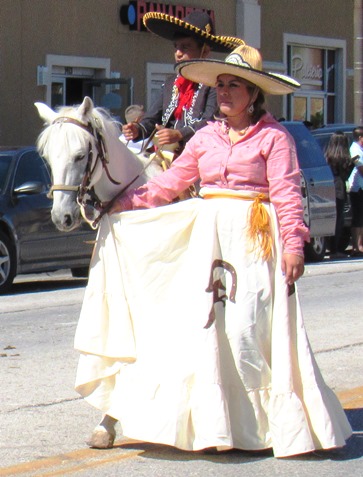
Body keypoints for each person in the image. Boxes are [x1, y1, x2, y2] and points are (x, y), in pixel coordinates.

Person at [75, 45, 352, 457]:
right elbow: (168, 186)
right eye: (219, 84)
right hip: (208, 242)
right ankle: (215, 426)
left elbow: (289, 195)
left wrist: (294, 246)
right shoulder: (205, 137)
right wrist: (121, 205)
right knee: (207, 331)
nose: (223, 92)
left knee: (247, 329)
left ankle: (260, 426)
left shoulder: (274, 137)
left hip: (255, 241)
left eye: (233, 84)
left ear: (253, 93)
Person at [122, 11, 244, 157]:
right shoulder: (170, 84)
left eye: (185, 47)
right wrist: (137, 129)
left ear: (204, 51)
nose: (178, 53)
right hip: (167, 157)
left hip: (203, 158)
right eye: (176, 47)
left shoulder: (214, 84)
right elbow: (152, 118)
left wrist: (180, 134)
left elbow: (211, 122)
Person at [324, 131, 355, 258]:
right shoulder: (343, 159)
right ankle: (335, 249)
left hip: (327, 188)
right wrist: (352, 165)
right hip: (339, 189)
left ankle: (330, 248)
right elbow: (345, 176)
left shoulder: (327, 156)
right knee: (339, 220)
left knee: (330, 219)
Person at [348, 126, 363, 256]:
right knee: (358, 217)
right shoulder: (354, 149)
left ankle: (360, 244)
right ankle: (356, 246)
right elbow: (360, 167)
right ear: (360, 137)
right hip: (357, 187)